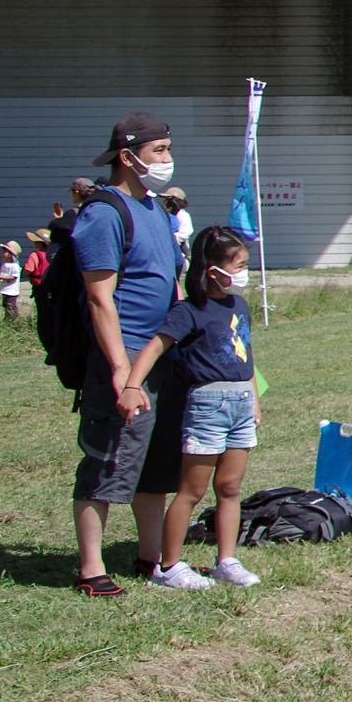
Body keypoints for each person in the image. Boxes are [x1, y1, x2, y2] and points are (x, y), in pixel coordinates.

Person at [70, 114, 185, 597]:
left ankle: (149, 556)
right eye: (159, 150)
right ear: (128, 156)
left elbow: (172, 282)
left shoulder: (156, 209)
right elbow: (100, 298)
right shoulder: (104, 212)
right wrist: (121, 369)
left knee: (156, 463)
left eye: (167, 149)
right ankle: (91, 569)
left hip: (162, 357)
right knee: (108, 460)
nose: (167, 160)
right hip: (126, 356)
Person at [126, 226, 261, 590]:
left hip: (240, 404)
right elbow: (155, 347)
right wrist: (131, 384)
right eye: (239, 265)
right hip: (207, 406)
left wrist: (255, 400)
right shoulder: (189, 311)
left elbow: (243, 354)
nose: (244, 273)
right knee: (192, 490)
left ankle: (226, 560)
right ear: (212, 269)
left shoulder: (239, 305)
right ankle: (168, 566)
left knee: (230, 487)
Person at [161, 186, 193, 269]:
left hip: (179, 253)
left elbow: (185, 234)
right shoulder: (166, 215)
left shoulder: (183, 215)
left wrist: (171, 238)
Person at [0, 240, 20, 321]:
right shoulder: (4, 264)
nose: (2, 253)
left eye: (5, 252)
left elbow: (13, 277)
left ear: (11, 254)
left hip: (11, 291)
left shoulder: (15, 266)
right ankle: (7, 318)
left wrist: (0, 277)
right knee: (5, 304)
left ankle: (12, 319)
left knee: (11, 305)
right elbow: (2, 274)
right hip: (5, 289)